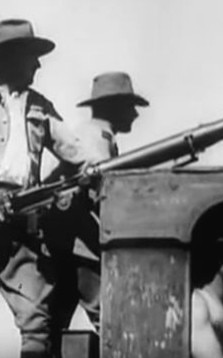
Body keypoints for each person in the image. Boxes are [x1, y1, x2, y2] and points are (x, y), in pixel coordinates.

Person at [0, 19, 98, 358]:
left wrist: (93, 171)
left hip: (22, 225)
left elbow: (78, 153)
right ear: (11, 57)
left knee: (37, 325)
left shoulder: (40, 107)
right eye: (32, 56)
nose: (38, 64)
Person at [43, 72, 149, 356]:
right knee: (112, 317)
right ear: (113, 107)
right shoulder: (95, 138)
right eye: (130, 106)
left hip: (69, 244)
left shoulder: (95, 134)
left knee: (52, 325)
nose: (136, 115)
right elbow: (100, 192)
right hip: (80, 246)